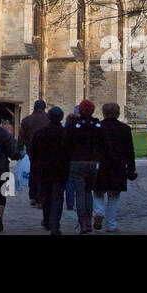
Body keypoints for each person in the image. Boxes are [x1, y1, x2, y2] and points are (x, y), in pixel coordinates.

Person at [93, 102, 136, 232]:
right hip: (118, 164)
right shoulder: (125, 128)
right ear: (118, 113)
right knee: (114, 195)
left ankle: (99, 212)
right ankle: (111, 224)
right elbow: (130, 150)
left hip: (101, 164)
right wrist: (131, 168)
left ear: (104, 113)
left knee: (98, 191)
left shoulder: (98, 127)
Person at [63, 100, 102, 233]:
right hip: (92, 162)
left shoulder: (73, 125)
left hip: (77, 162)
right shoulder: (97, 125)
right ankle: (89, 222)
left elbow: (66, 144)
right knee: (88, 192)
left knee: (80, 192)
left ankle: (83, 222)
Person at [29, 106, 69, 234]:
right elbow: (69, 153)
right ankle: (54, 224)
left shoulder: (40, 133)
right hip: (60, 170)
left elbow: (33, 152)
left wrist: (35, 167)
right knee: (57, 197)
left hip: (44, 170)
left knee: (46, 196)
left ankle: (47, 221)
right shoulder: (65, 133)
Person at [18, 99, 48, 208]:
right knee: (44, 174)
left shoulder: (27, 120)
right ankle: (41, 197)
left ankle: (34, 196)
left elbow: (21, 137)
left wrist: (19, 151)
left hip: (32, 151)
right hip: (46, 152)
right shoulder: (48, 119)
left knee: (34, 173)